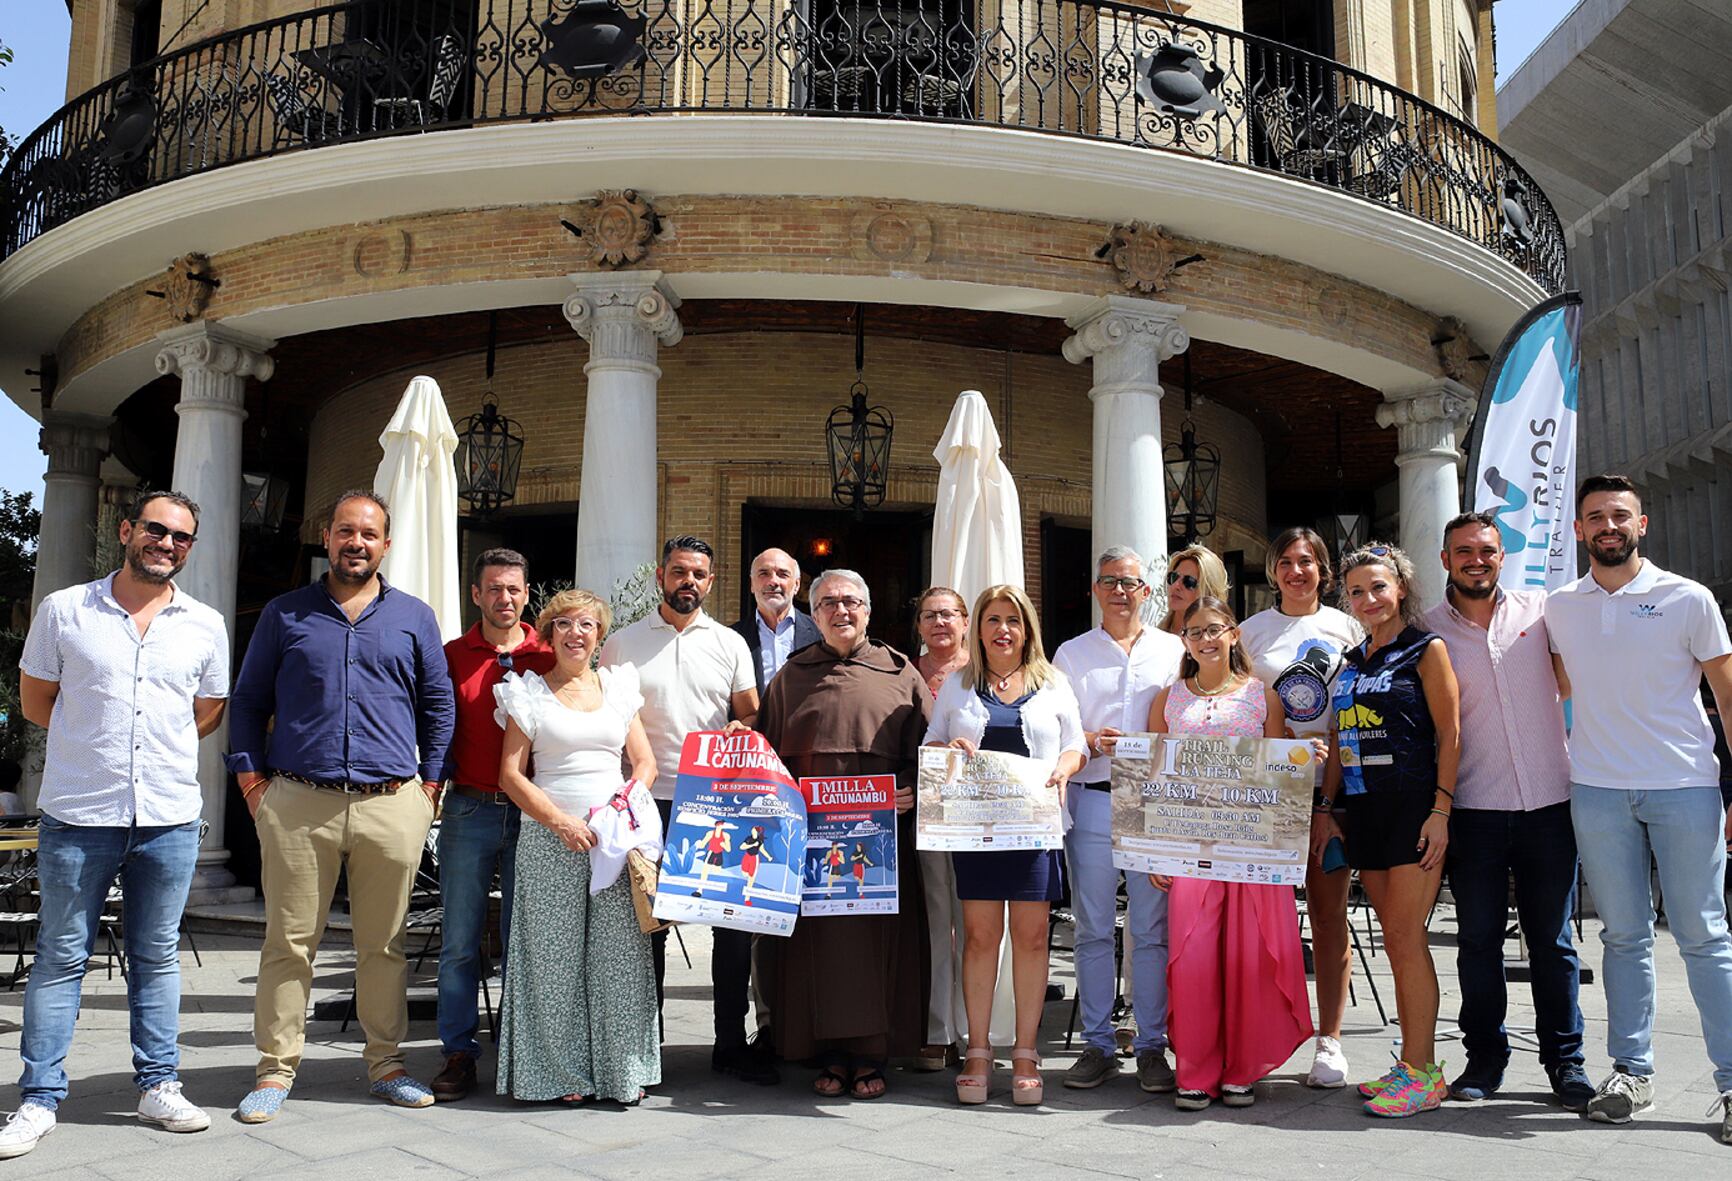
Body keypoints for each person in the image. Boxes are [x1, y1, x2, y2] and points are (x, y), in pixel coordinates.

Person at [0, 492, 228, 1159]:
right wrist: (95, 740)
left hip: (169, 817)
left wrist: (154, 744)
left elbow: (207, 708)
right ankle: (39, 1097)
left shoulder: (205, 623)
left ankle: (158, 1083)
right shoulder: (65, 609)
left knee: (155, 957)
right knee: (61, 956)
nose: (167, 542)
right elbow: (37, 701)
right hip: (80, 813)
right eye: (156, 528)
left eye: (182, 536)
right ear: (127, 531)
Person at [227, 490, 455, 1123]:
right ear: (327, 537)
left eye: (369, 533)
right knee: (288, 943)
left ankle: (386, 1063)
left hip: (391, 803)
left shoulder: (414, 616)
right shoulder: (285, 613)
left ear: (386, 544)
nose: (357, 542)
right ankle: (275, 1071)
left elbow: (440, 706)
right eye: (345, 530)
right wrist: (251, 784)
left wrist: (429, 790)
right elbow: (246, 704)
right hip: (298, 800)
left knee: (383, 944)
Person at [1544, 475, 1732, 1141]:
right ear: (1578, 531)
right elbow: (1564, 682)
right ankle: (1631, 1073)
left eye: (1619, 514)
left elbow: (1727, 696)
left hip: (1685, 786)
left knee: (1704, 935)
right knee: (1622, 936)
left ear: (1641, 522)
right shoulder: (1560, 606)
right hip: (1596, 789)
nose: (1608, 525)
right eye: (1595, 516)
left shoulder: (1688, 598)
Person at [1423, 513, 1590, 1108]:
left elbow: (1570, 684)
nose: (1476, 559)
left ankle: (1566, 1064)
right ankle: (1485, 1061)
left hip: (1550, 802)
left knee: (1554, 942)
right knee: (1478, 942)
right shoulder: (1427, 632)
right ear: (1445, 560)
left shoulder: (1543, 612)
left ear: (1502, 556)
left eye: (1486, 550)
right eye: (1463, 551)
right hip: (1474, 810)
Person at [756, 568, 931, 1100]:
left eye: (852, 601)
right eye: (829, 602)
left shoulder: (901, 674)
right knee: (814, 947)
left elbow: (933, 759)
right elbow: (766, 761)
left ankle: (872, 1053)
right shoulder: (790, 676)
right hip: (808, 847)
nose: (841, 611)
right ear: (815, 613)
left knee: (878, 946)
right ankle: (823, 1053)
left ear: (869, 610)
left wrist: (912, 792)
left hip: (881, 845)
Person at [598, 535, 765, 1081]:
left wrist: (743, 726)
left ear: (710, 582)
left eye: (697, 573)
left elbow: (750, 713)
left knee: (731, 927)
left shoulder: (730, 644)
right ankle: (648, 1045)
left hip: (715, 801)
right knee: (649, 925)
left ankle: (729, 1042)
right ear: (660, 578)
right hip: (644, 802)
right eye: (677, 571)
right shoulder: (621, 644)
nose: (686, 581)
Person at [494, 588, 660, 1104]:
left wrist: (623, 807)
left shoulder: (618, 688)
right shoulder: (527, 693)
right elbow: (509, 775)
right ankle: (560, 1075)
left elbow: (645, 764)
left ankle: (620, 1073)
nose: (575, 634)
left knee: (619, 957)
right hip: (550, 839)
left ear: (599, 635)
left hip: (613, 842)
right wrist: (560, 822)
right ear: (548, 634)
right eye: (564, 624)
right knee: (552, 960)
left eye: (586, 625)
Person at [1147, 597, 1311, 1110]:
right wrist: (1157, 853)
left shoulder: (1263, 697)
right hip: (1190, 848)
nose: (1205, 639)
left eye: (1214, 629)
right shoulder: (1168, 699)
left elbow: (1280, 773)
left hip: (1250, 847)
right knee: (1193, 954)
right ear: (1185, 641)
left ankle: (1242, 1067)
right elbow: (1156, 776)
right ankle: (1195, 1070)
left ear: (1234, 634)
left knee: (1249, 955)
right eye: (1194, 632)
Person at [927, 584, 1087, 1106]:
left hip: (1035, 829)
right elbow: (931, 745)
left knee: (1033, 937)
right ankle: (977, 1050)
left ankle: (1024, 1052)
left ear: (1027, 629)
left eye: (1013, 621)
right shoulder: (958, 684)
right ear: (979, 627)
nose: (1003, 630)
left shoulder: (1054, 682)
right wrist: (947, 749)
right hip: (976, 832)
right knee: (977, 937)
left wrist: (1065, 767)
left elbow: (1075, 745)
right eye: (993, 620)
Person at [1315, 542, 1459, 1118]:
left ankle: (1425, 1073)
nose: (1367, 599)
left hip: (1413, 811)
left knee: (1405, 938)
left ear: (1400, 587)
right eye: (1355, 591)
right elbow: (1337, 736)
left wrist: (1441, 811)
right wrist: (1327, 808)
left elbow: (1450, 733)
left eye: (1378, 587)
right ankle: (1409, 1064)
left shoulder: (1427, 649)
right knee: (1392, 941)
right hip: (1363, 811)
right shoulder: (1351, 659)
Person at [1051, 547, 1184, 1094]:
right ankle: (1099, 1044)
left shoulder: (1176, 650)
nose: (1120, 591)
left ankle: (1152, 1046)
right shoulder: (1071, 654)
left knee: (1152, 930)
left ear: (1146, 591)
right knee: (1093, 928)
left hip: (1155, 801)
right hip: (1094, 796)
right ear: (1095, 590)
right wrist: (1088, 739)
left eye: (1129, 582)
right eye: (1109, 582)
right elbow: (1055, 728)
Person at [1238, 527, 1362, 1088]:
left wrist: (1331, 790)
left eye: (1307, 561)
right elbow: (1233, 706)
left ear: (1324, 570)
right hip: (1266, 795)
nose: (1296, 571)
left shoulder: (1348, 626)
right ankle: (1257, 1036)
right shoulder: (1250, 633)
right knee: (1260, 922)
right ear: (1273, 571)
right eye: (1285, 561)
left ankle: (1330, 1042)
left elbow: (1358, 708)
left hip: (1331, 792)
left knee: (1329, 914)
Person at [431, 548, 557, 1102]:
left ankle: (516, 1047)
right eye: (493, 589)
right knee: (460, 940)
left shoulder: (549, 654)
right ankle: (459, 1052)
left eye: (514, 589)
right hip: (469, 809)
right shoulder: (453, 655)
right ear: (476, 595)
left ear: (526, 594)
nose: (504, 598)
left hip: (533, 813)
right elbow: (433, 725)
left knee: (522, 938)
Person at [913, 586, 970, 1069]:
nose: (939, 623)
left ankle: (976, 1027)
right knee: (936, 918)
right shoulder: (903, 672)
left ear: (966, 621)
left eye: (948, 614)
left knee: (977, 922)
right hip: (928, 814)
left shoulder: (987, 671)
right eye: (929, 615)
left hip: (981, 818)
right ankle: (938, 1028)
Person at [732, 547, 820, 697]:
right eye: (764, 573)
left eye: (783, 574)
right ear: (752, 584)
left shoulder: (821, 633)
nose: (773, 581)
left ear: (797, 585)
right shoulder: (732, 638)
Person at [1158, 544, 1230, 636]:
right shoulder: (1152, 639)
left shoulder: (1218, 641)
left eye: (1189, 582)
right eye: (1174, 577)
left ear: (1209, 592)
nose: (1176, 585)